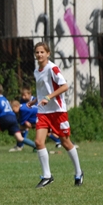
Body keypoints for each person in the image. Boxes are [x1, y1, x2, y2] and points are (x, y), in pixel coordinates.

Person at [30, 42, 84, 188]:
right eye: (37, 52)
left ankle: (79, 172)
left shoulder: (52, 68)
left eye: (42, 52)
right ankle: (47, 176)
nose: (39, 54)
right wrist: (35, 100)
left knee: (65, 142)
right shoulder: (36, 71)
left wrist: (48, 97)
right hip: (43, 112)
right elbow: (43, 90)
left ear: (48, 54)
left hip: (58, 111)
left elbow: (64, 86)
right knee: (39, 142)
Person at [0, 84, 37, 154]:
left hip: (4, 118)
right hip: (13, 118)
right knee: (20, 138)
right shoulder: (5, 99)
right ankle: (36, 146)